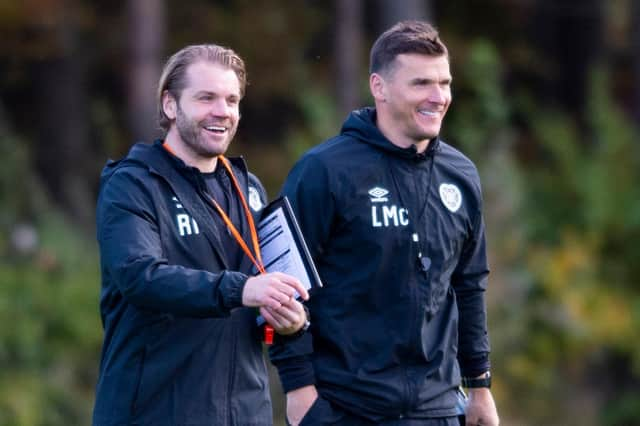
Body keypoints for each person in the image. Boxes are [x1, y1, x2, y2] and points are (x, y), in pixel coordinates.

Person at [269, 20, 500, 426]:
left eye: (444, 83)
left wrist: (479, 386)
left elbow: (469, 284)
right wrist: (299, 390)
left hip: (441, 408)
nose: (439, 97)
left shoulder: (460, 174)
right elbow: (281, 286)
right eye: (422, 84)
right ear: (379, 87)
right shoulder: (323, 171)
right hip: (345, 407)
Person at [92, 44, 310, 426]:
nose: (222, 111)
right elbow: (138, 276)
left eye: (232, 100)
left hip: (245, 414)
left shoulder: (249, 188)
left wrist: (287, 323)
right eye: (206, 98)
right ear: (171, 105)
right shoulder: (133, 184)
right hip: (154, 413)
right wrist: (240, 289)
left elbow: (262, 304)